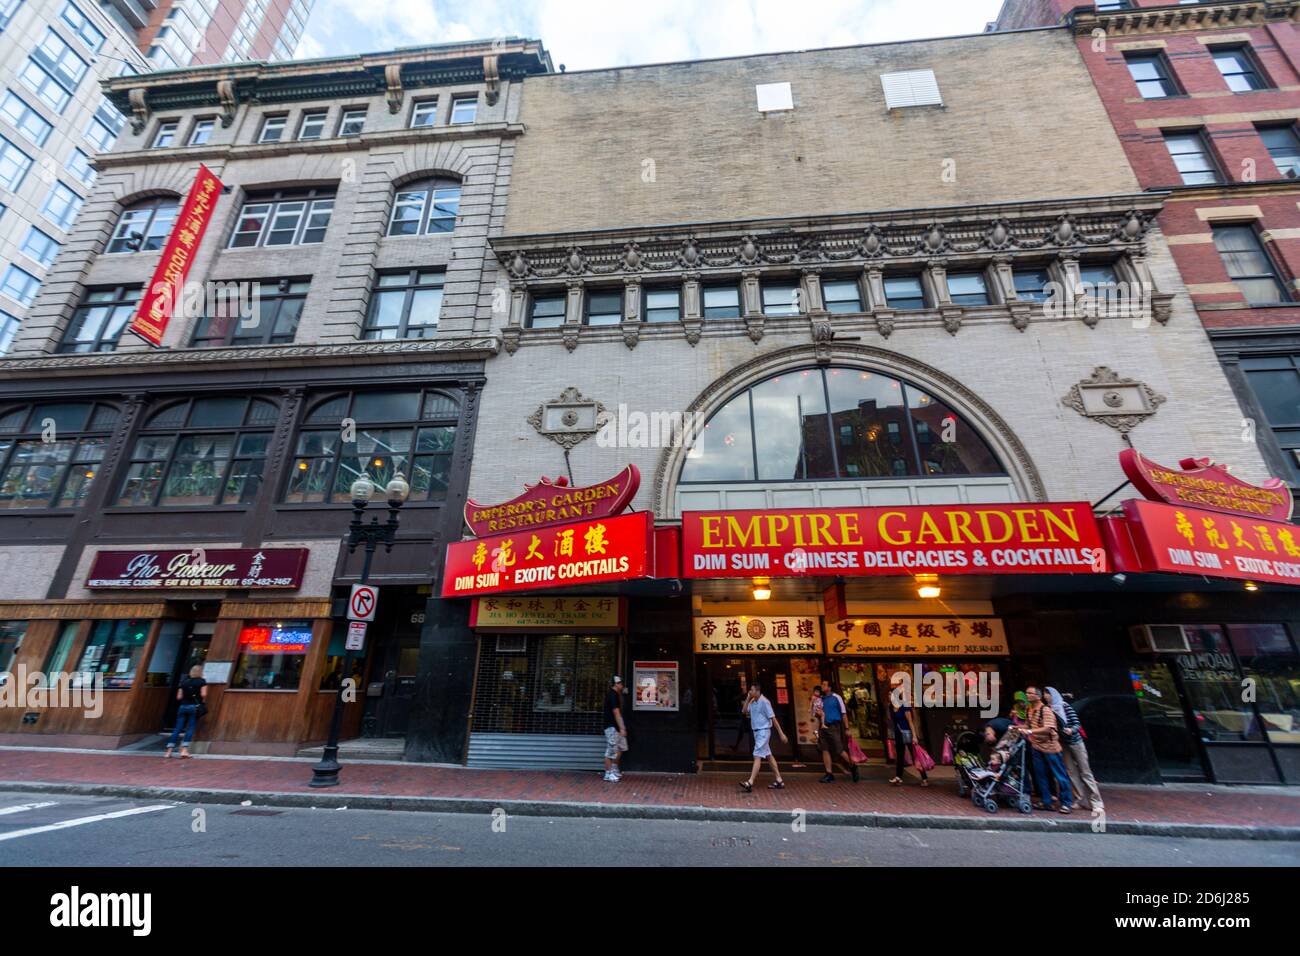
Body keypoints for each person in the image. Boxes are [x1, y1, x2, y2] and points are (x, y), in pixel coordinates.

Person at [1047, 686, 1104, 813]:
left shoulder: (1064, 706)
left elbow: (1077, 723)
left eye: (1048, 694)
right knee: (1071, 772)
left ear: (1053, 695)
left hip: (1075, 742)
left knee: (1085, 771)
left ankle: (1096, 801)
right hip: (1063, 743)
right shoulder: (1049, 710)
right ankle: (1080, 799)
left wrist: (1071, 730)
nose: (1046, 697)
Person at [1019, 685, 1073, 814]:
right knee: (1040, 775)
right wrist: (1016, 727)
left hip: (1051, 748)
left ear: (1038, 696)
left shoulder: (1046, 710)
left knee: (1059, 775)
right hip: (1036, 747)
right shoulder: (1029, 709)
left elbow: (1049, 728)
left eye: (1030, 693)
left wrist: (1030, 731)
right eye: (1026, 693)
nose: (1027, 695)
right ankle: (1046, 801)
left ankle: (1066, 803)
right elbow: (1028, 724)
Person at [739, 680, 787, 791]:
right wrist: (747, 698)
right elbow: (744, 711)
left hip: (763, 732)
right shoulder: (752, 701)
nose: (750, 692)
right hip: (757, 732)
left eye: (752, 690)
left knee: (757, 755)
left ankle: (750, 782)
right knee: (769, 756)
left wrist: (781, 733)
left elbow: (773, 718)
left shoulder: (765, 702)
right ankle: (779, 780)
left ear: (757, 691)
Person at [817, 680, 860, 783]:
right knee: (824, 749)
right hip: (823, 726)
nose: (822, 686)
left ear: (830, 687)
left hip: (834, 726)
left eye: (824, 684)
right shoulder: (821, 699)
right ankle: (829, 773)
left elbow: (843, 713)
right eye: (822, 684)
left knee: (839, 749)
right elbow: (817, 714)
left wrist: (847, 728)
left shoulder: (836, 697)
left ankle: (853, 765)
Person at [888, 685, 927, 787]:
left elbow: (910, 722)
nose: (889, 696)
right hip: (898, 734)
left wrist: (914, 736)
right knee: (900, 756)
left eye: (891, 694)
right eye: (888, 694)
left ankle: (924, 778)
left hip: (907, 733)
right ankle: (898, 777)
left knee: (915, 756)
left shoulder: (904, 706)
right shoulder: (891, 707)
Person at [165, 665, 208, 759]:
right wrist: (202, 701)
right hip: (194, 707)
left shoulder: (184, 682)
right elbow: (204, 694)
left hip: (183, 706)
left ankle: (169, 751)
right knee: (190, 728)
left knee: (177, 729)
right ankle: (184, 750)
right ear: (200, 672)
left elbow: (179, 697)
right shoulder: (202, 681)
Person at [603, 675, 628, 782]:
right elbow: (616, 712)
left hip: (616, 727)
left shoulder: (617, 695)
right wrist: (622, 727)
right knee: (611, 750)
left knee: (621, 748)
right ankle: (608, 773)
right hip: (612, 727)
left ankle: (614, 769)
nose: (622, 685)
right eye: (620, 683)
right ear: (616, 684)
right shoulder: (612, 695)